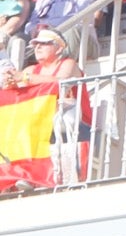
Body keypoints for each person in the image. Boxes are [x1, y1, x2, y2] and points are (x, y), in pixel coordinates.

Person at [1, 29, 91, 185]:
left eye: (44, 43)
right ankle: (15, 176)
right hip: (39, 120)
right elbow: (20, 94)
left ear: (59, 48)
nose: (37, 47)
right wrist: (12, 84)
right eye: (36, 44)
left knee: (25, 128)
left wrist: (23, 78)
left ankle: (31, 176)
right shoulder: (31, 69)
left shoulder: (69, 64)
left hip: (73, 123)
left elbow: (60, 81)